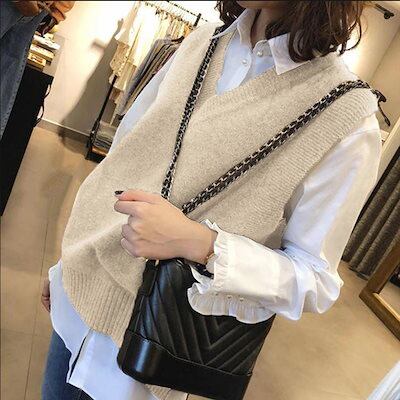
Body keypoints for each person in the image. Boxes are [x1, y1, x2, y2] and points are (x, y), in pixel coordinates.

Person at [41, 1, 383, 399]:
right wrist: (71, 260)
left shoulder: (345, 114)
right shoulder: (201, 43)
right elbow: (125, 160)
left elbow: (315, 279)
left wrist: (205, 245)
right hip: (79, 298)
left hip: (147, 354)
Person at [0, 0, 74, 140]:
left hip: (27, 8)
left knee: (5, 77)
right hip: (36, 8)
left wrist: (57, 11)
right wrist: (58, 10)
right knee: (5, 78)